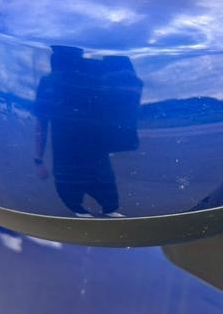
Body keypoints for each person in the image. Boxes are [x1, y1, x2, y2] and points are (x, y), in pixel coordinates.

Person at [33, 46, 142, 218]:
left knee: (103, 180)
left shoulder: (94, 73)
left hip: (92, 142)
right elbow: (41, 120)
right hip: (67, 145)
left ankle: (107, 208)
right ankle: (79, 209)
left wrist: (38, 160)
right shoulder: (52, 82)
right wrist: (38, 161)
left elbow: (126, 87)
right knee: (72, 181)